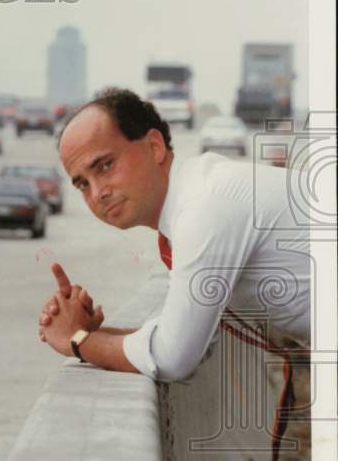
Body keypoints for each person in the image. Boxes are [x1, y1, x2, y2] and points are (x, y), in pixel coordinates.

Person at [37, 88, 310, 390]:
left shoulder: (205, 206)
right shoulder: (196, 195)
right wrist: (92, 332)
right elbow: (191, 336)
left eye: (105, 165)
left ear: (154, 146)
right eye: (82, 184)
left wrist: (76, 341)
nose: (97, 192)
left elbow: (173, 357)